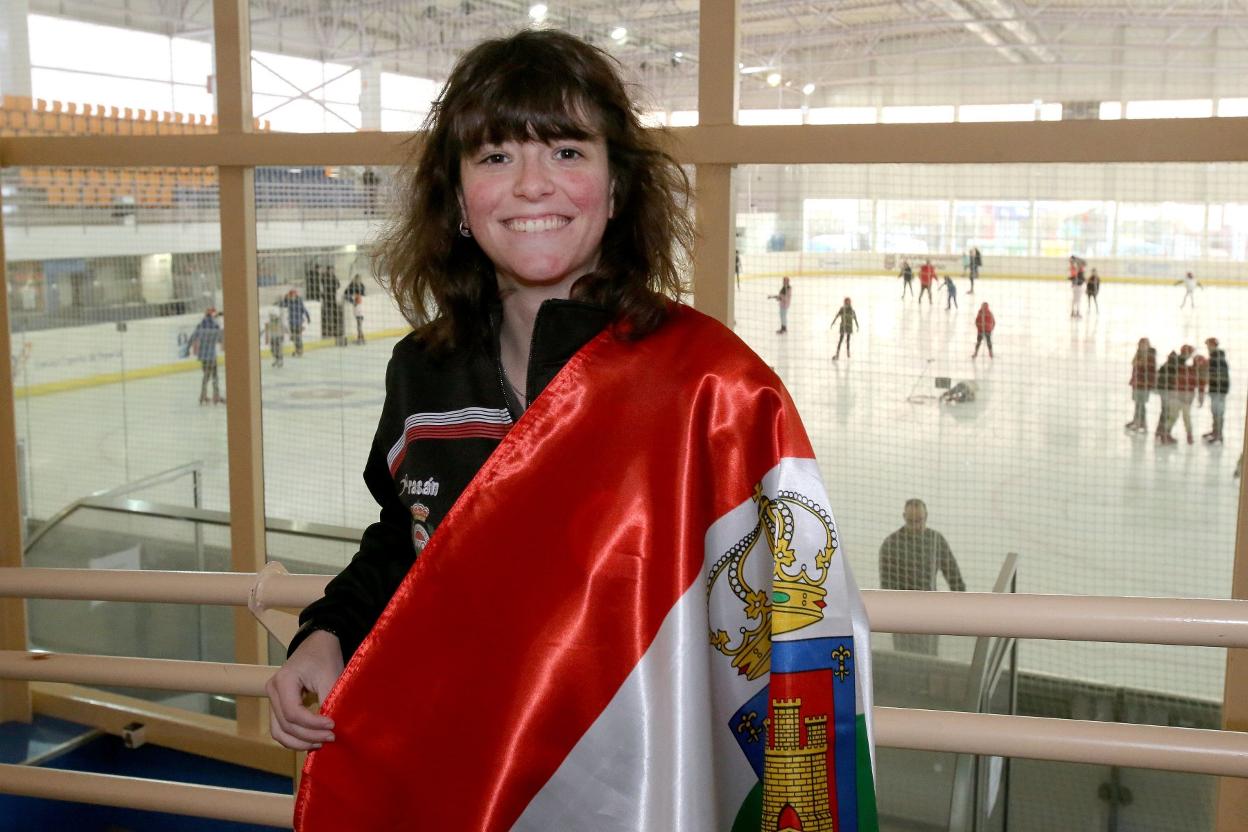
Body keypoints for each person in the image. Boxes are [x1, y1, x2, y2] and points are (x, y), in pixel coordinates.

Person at [266, 30, 876, 831]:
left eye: (564, 150)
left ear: (616, 187)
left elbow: (792, 619)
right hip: (466, 780)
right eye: (493, 157)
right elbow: (404, 541)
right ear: (455, 199)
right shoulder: (422, 371)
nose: (529, 185)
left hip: (638, 789)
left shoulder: (709, 388)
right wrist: (326, 633)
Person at [878, 498, 966, 654]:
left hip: (930, 616)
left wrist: (962, 605)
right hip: (902, 619)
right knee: (904, 660)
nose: (916, 525)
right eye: (912, 521)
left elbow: (954, 575)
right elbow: (886, 586)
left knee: (929, 660)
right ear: (904, 517)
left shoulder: (936, 540)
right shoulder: (891, 544)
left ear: (926, 517)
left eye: (919, 521)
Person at [188, 307, 224, 404]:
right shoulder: (215, 326)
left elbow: (192, 338)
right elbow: (220, 340)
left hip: (203, 356)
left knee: (206, 376)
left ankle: (203, 396)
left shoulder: (200, 326)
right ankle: (216, 396)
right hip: (211, 356)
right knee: (214, 376)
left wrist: (187, 349)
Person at [1125, 337, 1157, 432]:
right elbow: (1135, 369)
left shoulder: (1150, 357)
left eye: (1144, 344)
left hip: (1144, 385)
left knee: (1141, 405)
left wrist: (1151, 384)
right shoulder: (1138, 355)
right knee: (1137, 404)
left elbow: (1152, 372)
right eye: (1141, 344)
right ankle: (1136, 420)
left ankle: (1142, 423)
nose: (1142, 346)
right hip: (1136, 384)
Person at [1202, 337, 1230, 444]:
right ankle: (1215, 432)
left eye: (1208, 345)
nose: (1207, 348)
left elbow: (1219, 376)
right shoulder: (1214, 358)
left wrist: (1207, 375)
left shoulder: (1217, 358)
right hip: (1215, 390)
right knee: (1215, 411)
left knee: (1218, 412)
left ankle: (1218, 435)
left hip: (1219, 390)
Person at [1154, 350, 1180, 445]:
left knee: (1165, 412)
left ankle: (1160, 432)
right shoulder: (1172, 367)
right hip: (1168, 392)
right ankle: (1164, 435)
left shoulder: (1165, 366)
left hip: (1164, 392)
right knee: (1167, 413)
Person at [279, 288, 311, 356]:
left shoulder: (299, 302)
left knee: (298, 337)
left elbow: (304, 310)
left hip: (298, 323)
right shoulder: (289, 302)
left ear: (296, 295)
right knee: (294, 337)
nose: (292, 297)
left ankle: (300, 350)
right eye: (291, 296)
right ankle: (298, 350)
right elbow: (282, 305)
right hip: (291, 323)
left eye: (293, 295)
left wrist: (308, 318)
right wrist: (285, 298)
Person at [831, 296, 858, 360]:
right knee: (841, 340)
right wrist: (833, 322)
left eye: (848, 301)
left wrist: (857, 325)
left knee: (848, 340)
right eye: (846, 301)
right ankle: (838, 354)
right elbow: (837, 316)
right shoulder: (842, 309)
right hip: (843, 326)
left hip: (849, 326)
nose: (847, 303)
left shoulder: (851, 310)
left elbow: (855, 318)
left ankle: (848, 353)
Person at [344, 275, 367, 344]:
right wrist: (352, 301)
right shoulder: (352, 286)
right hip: (357, 307)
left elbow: (363, 294)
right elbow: (346, 294)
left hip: (359, 307)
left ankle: (360, 338)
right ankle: (361, 338)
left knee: (359, 323)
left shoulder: (361, 286)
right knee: (359, 323)